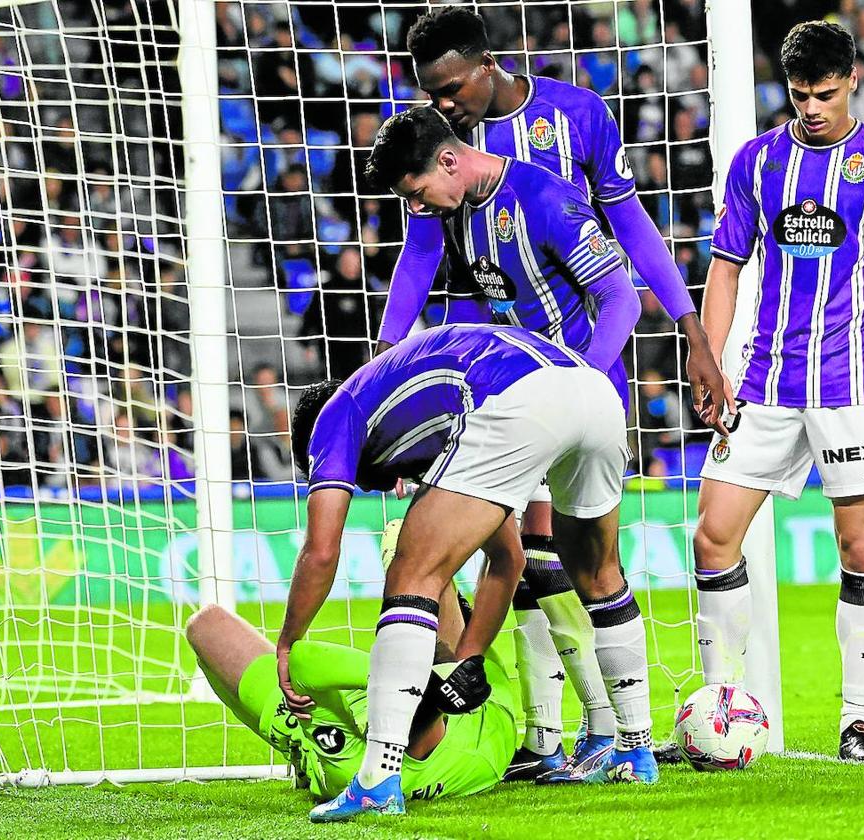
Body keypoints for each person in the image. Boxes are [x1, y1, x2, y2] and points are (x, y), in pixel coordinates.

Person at [372, 6, 727, 780]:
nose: (443, 104)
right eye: (429, 93)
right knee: (525, 556)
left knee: (560, 552)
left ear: (488, 62)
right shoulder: (442, 156)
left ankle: (601, 726)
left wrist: (693, 332)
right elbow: (421, 259)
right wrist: (387, 361)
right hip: (497, 360)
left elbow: (629, 238)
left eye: (451, 86)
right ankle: (550, 733)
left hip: (578, 356)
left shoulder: (575, 118)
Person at [365, 102, 661, 781]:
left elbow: (620, 297)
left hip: (583, 397)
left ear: (447, 161)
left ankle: (627, 742)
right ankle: (562, 737)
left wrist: (581, 379)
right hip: (517, 407)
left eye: (416, 193)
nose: (420, 208)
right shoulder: (459, 214)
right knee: (527, 560)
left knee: (592, 565)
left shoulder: (546, 198)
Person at [278, 324, 657, 823]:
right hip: (595, 392)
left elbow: (321, 552)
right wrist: (470, 656)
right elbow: (508, 560)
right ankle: (637, 749)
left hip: (515, 399)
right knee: (599, 575)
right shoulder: (427, 424)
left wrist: (288, 642)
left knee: (411, 571)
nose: (369, 488)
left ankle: (375, 781)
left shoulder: (335, 415)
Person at [693, 21, 864, 763]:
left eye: (825, 94)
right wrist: (713, 363)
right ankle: (722, 706)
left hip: (853, 385)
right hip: (765, 381)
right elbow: (726, 268)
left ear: (853, 80)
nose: (811, 108)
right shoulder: (757, 162)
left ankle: (855, 722)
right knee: (711, 537)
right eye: (800, 94)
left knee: (860, 546)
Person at [186, 562, 515, 805]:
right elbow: (480, 663)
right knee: (430, 561)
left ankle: (301, 763)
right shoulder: (489, 741)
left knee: (206, 627)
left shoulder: (357, 770)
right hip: (412, 696)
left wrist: (393, 676)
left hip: (309, 723)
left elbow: (301, 663)